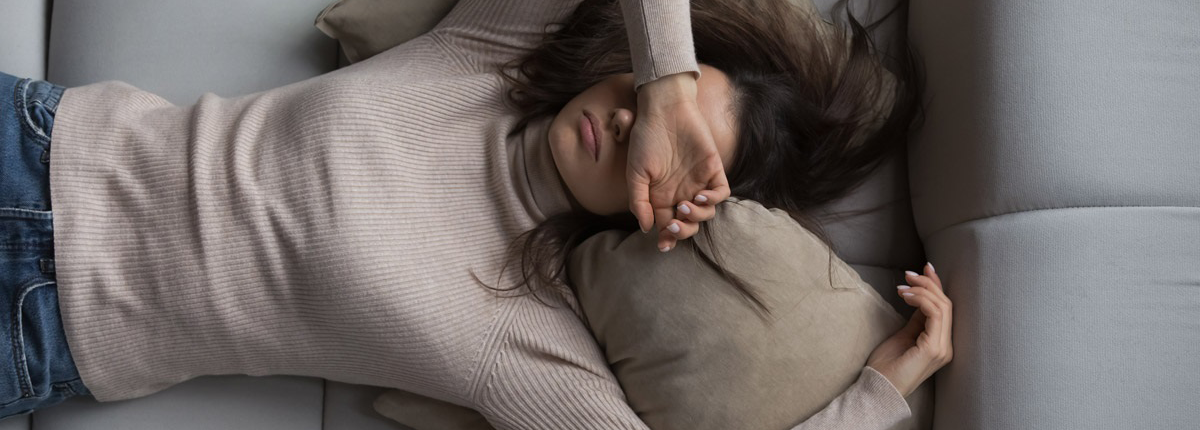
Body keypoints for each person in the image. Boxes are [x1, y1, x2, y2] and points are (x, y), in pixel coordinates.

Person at [0, 0, 952, 428]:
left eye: (664, 156)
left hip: (44, 325)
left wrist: (875, 395)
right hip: (41, 141)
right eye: (655, 102)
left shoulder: (521, 337)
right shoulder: (489, 54)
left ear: (677, 217)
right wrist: (669, 83)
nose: (629, 123)